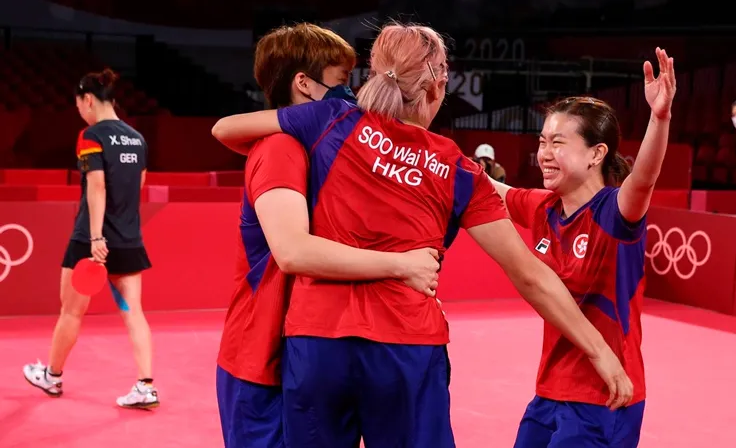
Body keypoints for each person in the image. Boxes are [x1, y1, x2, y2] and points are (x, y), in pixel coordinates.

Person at [212, 22, 633, 447]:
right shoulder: (456, 169)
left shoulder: (327, 119)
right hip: (406, 350)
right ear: (438, 87)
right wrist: (599, 351)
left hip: (316, 345)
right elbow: (529, 274)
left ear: (375, 75)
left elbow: (226, 129)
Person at [213, 23, 441, 448]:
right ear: (304, 84)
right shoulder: (280, 148)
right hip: (261, 361)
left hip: (304, 353)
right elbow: (293, 252)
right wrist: (403, 266)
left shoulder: (327, 148)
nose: (352, 96)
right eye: (340, 83)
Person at [488, 48, 676, 447]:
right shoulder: (543, 207)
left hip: (606, 397)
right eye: (542, 142)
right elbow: (493, 190)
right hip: (548, 393)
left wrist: (659, 119)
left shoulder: (614, 213)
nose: (544, 154)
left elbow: (643, 179)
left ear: (596, 153)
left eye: (558, 143)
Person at [23, 68, 158, 409]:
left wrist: (97, 236)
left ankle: (52, 377)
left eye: (79, 105)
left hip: (90, 241)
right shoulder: (137, 139)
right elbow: (137, 187)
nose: (80, 112)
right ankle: (145, 385)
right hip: (128, 241)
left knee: (71, 312)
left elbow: (97, 185)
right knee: (134, 313)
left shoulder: (91, 136)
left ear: (87, 100)